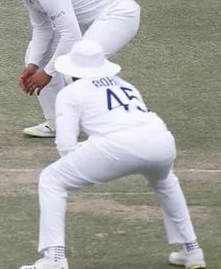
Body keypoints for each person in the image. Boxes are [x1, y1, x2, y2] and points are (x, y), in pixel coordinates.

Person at [20, 40, 206, 269]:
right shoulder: (124, 84)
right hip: (161, 140)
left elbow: (66, 146)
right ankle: (193, 251)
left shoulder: (71, 92)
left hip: (118, 145)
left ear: (71, 71)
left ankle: (55, 259)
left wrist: (87, 154)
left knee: (52, 179)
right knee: (166, 181)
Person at [0, 0, 148, 138]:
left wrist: (47, 73)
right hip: (92, 20)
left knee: (79, 64)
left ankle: (121, 123)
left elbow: (71, 36)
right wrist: (33, 65)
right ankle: (57, 124)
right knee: (38, 56)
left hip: (119, 15)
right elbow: (42, 30)